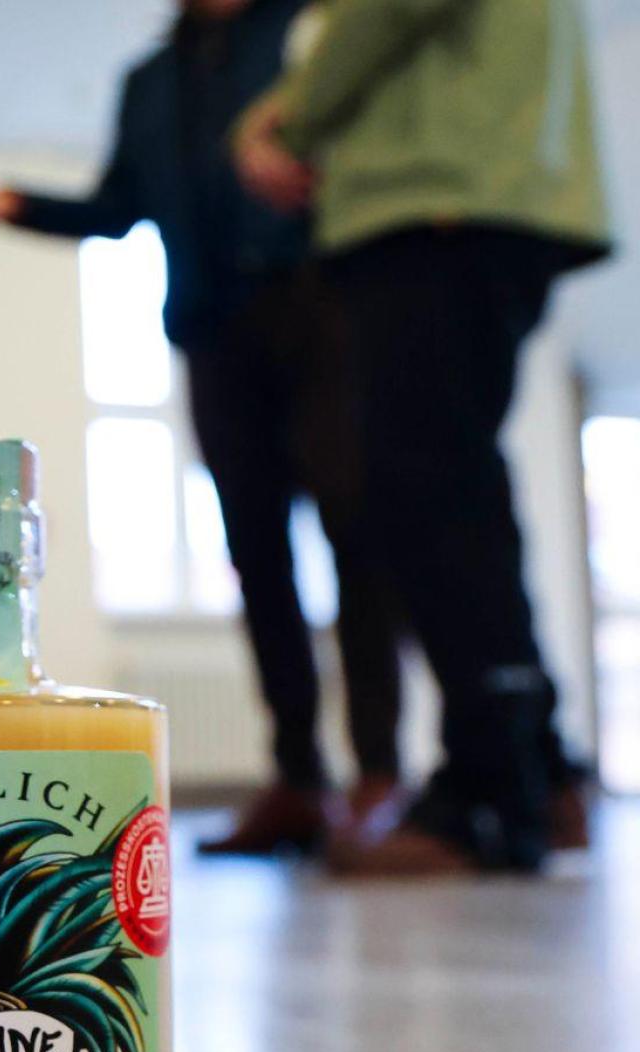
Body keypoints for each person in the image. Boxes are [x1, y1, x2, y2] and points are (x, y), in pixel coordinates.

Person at [0, 0, 407, 855]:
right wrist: (9, 204)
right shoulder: (150, 82)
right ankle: (299, 779)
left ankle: (379, 776)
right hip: (214, 331)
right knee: (255, 553)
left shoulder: (309, 30)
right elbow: (117, 207)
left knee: (356, 532)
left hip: (322, 305)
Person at [235, 0, 612, 875]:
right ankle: (534, 772)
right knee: (456, 486)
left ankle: (490, 796)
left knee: (428, 492)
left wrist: (284, 119)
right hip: (470, 198)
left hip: (435, 202)